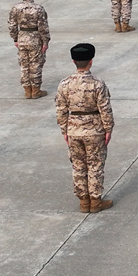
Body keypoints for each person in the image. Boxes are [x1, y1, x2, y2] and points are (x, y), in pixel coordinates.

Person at [55, 43, 114, 213]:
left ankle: (83, 202)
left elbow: (61, 109)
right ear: (91, 61)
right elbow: (105, 108)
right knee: (95, 165)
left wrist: (64, 130)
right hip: (94, 129)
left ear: (74, 61)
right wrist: (108, 129)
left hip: (74, 129)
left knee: (78, 165)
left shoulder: (64, 84)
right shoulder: (98, 84)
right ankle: (95, 201)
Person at [8, 0, 50, 98]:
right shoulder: (38, 9)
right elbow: (43, 27)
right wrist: (45, 41)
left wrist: (15, 39)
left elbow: (12, 25)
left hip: (22, 37)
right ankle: (36, 90)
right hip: (35, 38)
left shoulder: (15, 8)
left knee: (24, 65)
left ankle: (27, 90)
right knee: (35, 64)